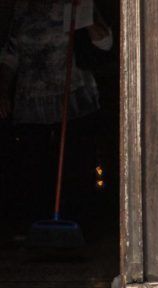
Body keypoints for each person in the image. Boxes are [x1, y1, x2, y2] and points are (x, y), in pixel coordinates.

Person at [0, 0, 113, 229]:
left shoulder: (75, 3)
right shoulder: (21, 9)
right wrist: (3, 92)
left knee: (75, 164)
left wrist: (83, 14)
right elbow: (9, 57)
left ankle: (77, 225)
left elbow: (105, 42)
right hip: (31, 100)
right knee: (33, 165)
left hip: (71, 98)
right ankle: (35, 225)